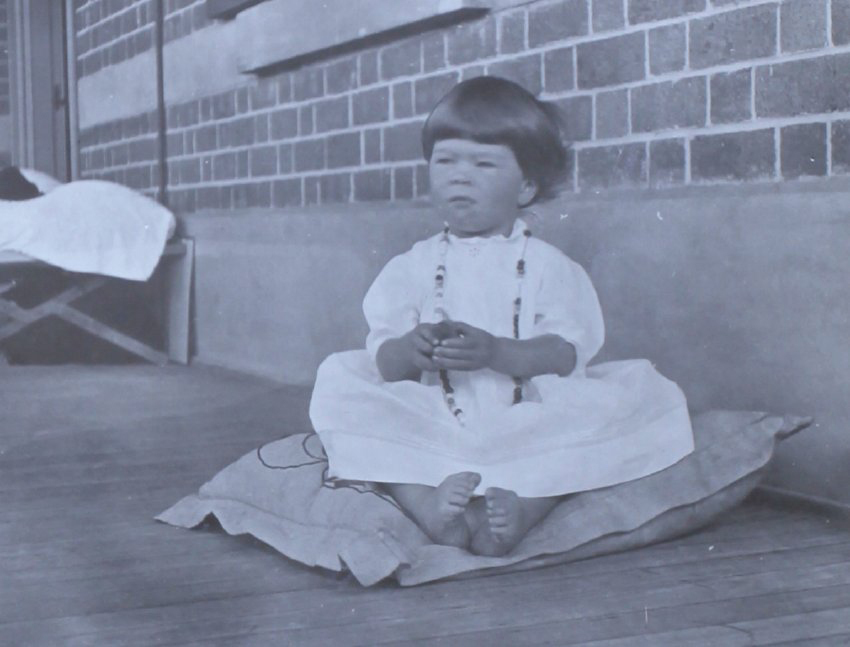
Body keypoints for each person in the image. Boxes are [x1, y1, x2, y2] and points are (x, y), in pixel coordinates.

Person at [309, 76, 694, 556]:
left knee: (634, 396)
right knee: (341, 382)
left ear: (527, 187)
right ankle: (425, 503)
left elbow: (564, 353)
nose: (460, 176)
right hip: (434, 413)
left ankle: (522, 510)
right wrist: (413, 349)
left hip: (526, 414)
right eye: (445, 161)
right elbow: (385, 361)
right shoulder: (409, 268)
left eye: (483, 164)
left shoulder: (550, 267)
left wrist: (497, 351)